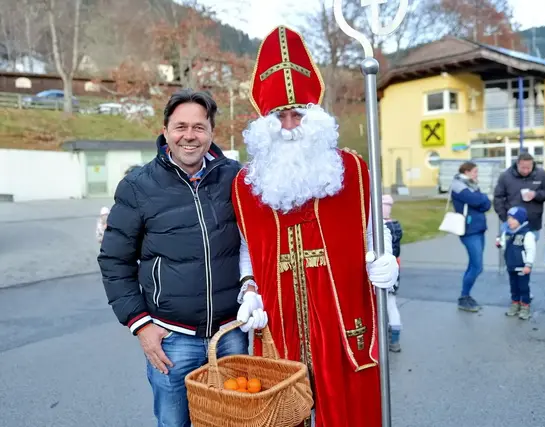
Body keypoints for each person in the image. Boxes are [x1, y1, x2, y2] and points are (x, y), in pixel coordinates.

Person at [231, 26, 398, 427]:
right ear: (264, 124)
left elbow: (375, 230)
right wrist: (249, 288)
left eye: (298, 114)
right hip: (281, 320)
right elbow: (247, 248)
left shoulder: (353, 170)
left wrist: (387, 260)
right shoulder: (246, 185)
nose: (290, 125)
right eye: (280, 117)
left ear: (315, 116)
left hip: (343, 318)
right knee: (283, 409)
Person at [97, 89, 260, 427]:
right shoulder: (138, 186)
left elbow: (261, 241)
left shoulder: (236, 178)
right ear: (166, 130)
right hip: (172, 340)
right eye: (180, 126)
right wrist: (141, 325)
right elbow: (114, 261)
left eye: (199, 127)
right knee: (174, 423)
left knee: (238, 421)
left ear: (212, 132)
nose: (189, 136)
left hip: (231, 333)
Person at [450, 161, 491, 312]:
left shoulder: (471, 185)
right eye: (474, 172)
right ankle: (463, 297)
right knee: (477, 266)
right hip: (468, 231)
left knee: (474, 265)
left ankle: (465, 296)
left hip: (478, 229)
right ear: (466, 172)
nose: (476, 175)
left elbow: (486, 204)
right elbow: (477, 200)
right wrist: (482, 198)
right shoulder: (458, 185)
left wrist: (482, 199)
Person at [493, 152, 545, 239]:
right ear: (517, 164)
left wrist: (536, 195)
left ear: (533, 164)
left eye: (528, 168)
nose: (526, 171)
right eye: (523, 168)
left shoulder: (541, 175)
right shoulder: (505, 176)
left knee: (530, 251)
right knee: (510, 251)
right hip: (511, 224)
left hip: (532, 224)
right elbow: (498, 198)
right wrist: (505, 218)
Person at [497, 207, 536, 320]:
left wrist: (528, 264)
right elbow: (504, 246)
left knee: (523, 287)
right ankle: (515, 303)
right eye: (509, 218)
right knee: (513, 287)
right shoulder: (507, 233)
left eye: (513, 219)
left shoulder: (527, 234)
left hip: (522, 267)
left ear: (521, 220)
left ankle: (525, 306)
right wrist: (500, 244)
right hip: (511, 265)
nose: (510, 221)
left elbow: (531, 250)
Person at [382, 194, 403, 352]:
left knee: (384, 305)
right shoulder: (396, 225)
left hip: (382, 271)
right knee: (391, 304)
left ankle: (387, 338)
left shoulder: (381, 228)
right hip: (395, 270)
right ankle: (395, 338)